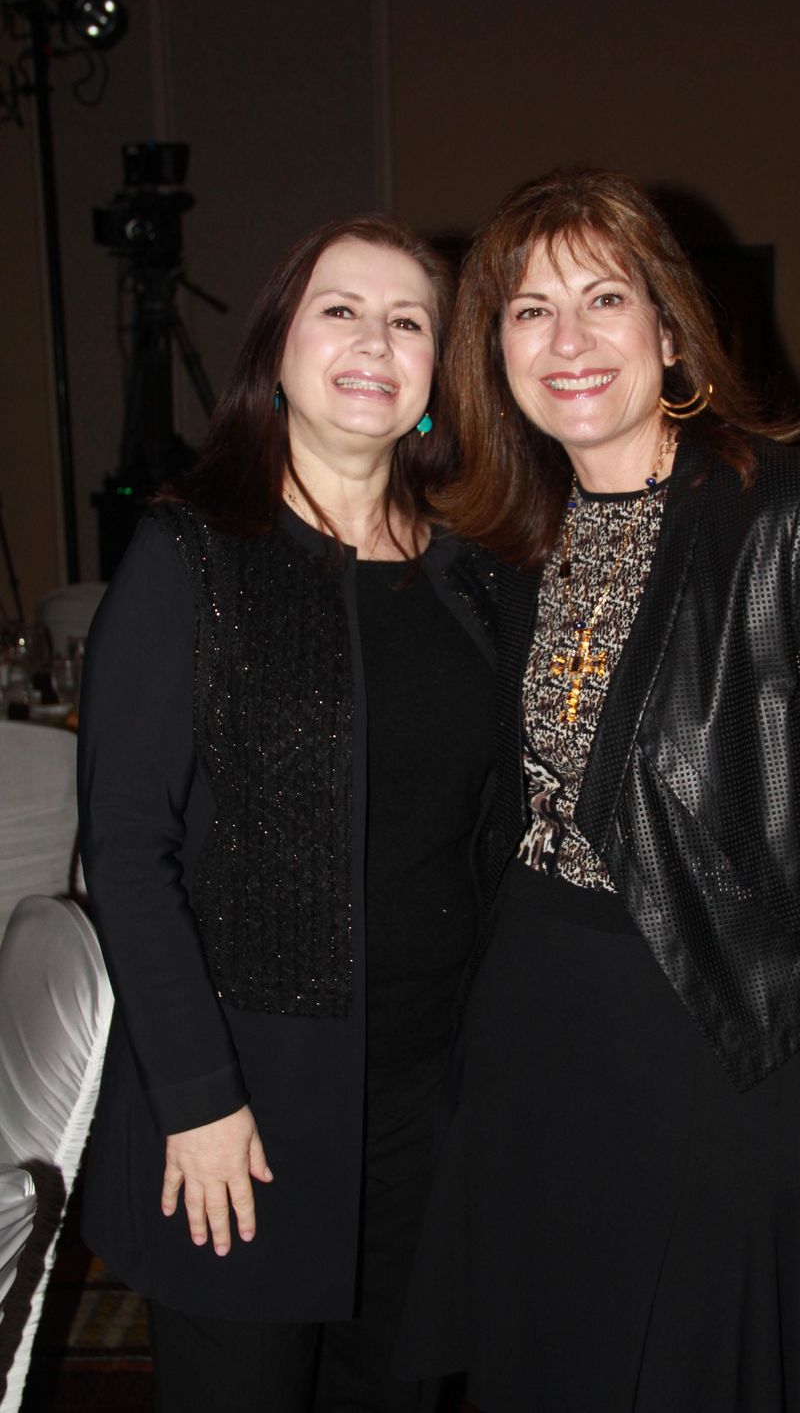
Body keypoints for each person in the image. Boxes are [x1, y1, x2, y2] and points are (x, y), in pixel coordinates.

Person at [395, 168, 800, 1412]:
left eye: (603, 298)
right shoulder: (505, 537)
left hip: (716, 1024)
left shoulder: (790, 518)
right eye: (529, 310)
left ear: (667, 329)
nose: (567, 339)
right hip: (529, 1021)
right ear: (493, 351)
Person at [78, 215, 494, 1413]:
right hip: (248, 1100)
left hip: (431, 1100)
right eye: (340, 310)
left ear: (435, 374)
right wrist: (197, 1095)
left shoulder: (473, 570)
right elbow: (125, 847)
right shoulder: (193, 552)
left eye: (407, 321)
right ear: (276, 348)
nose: (374, 341)